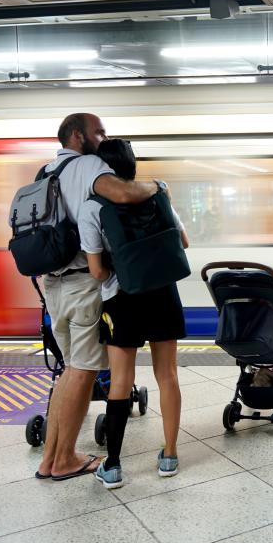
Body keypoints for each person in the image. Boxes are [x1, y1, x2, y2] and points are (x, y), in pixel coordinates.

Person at [36, 114, 159, 481]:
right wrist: (155, 186)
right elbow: (122, 192)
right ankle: (64, 461)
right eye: (98, 132)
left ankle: (51, 459)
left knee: (68, 371)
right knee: (83, 371)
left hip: (53, 285)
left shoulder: (46, 170)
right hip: (81, 282)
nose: (103, 139)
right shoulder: (88, 164)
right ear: (78, 136)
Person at [78, 138, 188, 489]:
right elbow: (183, 242)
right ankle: (169, 455)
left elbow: (96, 272)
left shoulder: (92, 207)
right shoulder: (158, 193)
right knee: (167, 375)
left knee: (121, 382)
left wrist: (123, 268)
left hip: (121, 299)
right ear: (133, 165)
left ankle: (112, 466)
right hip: (163, 293)